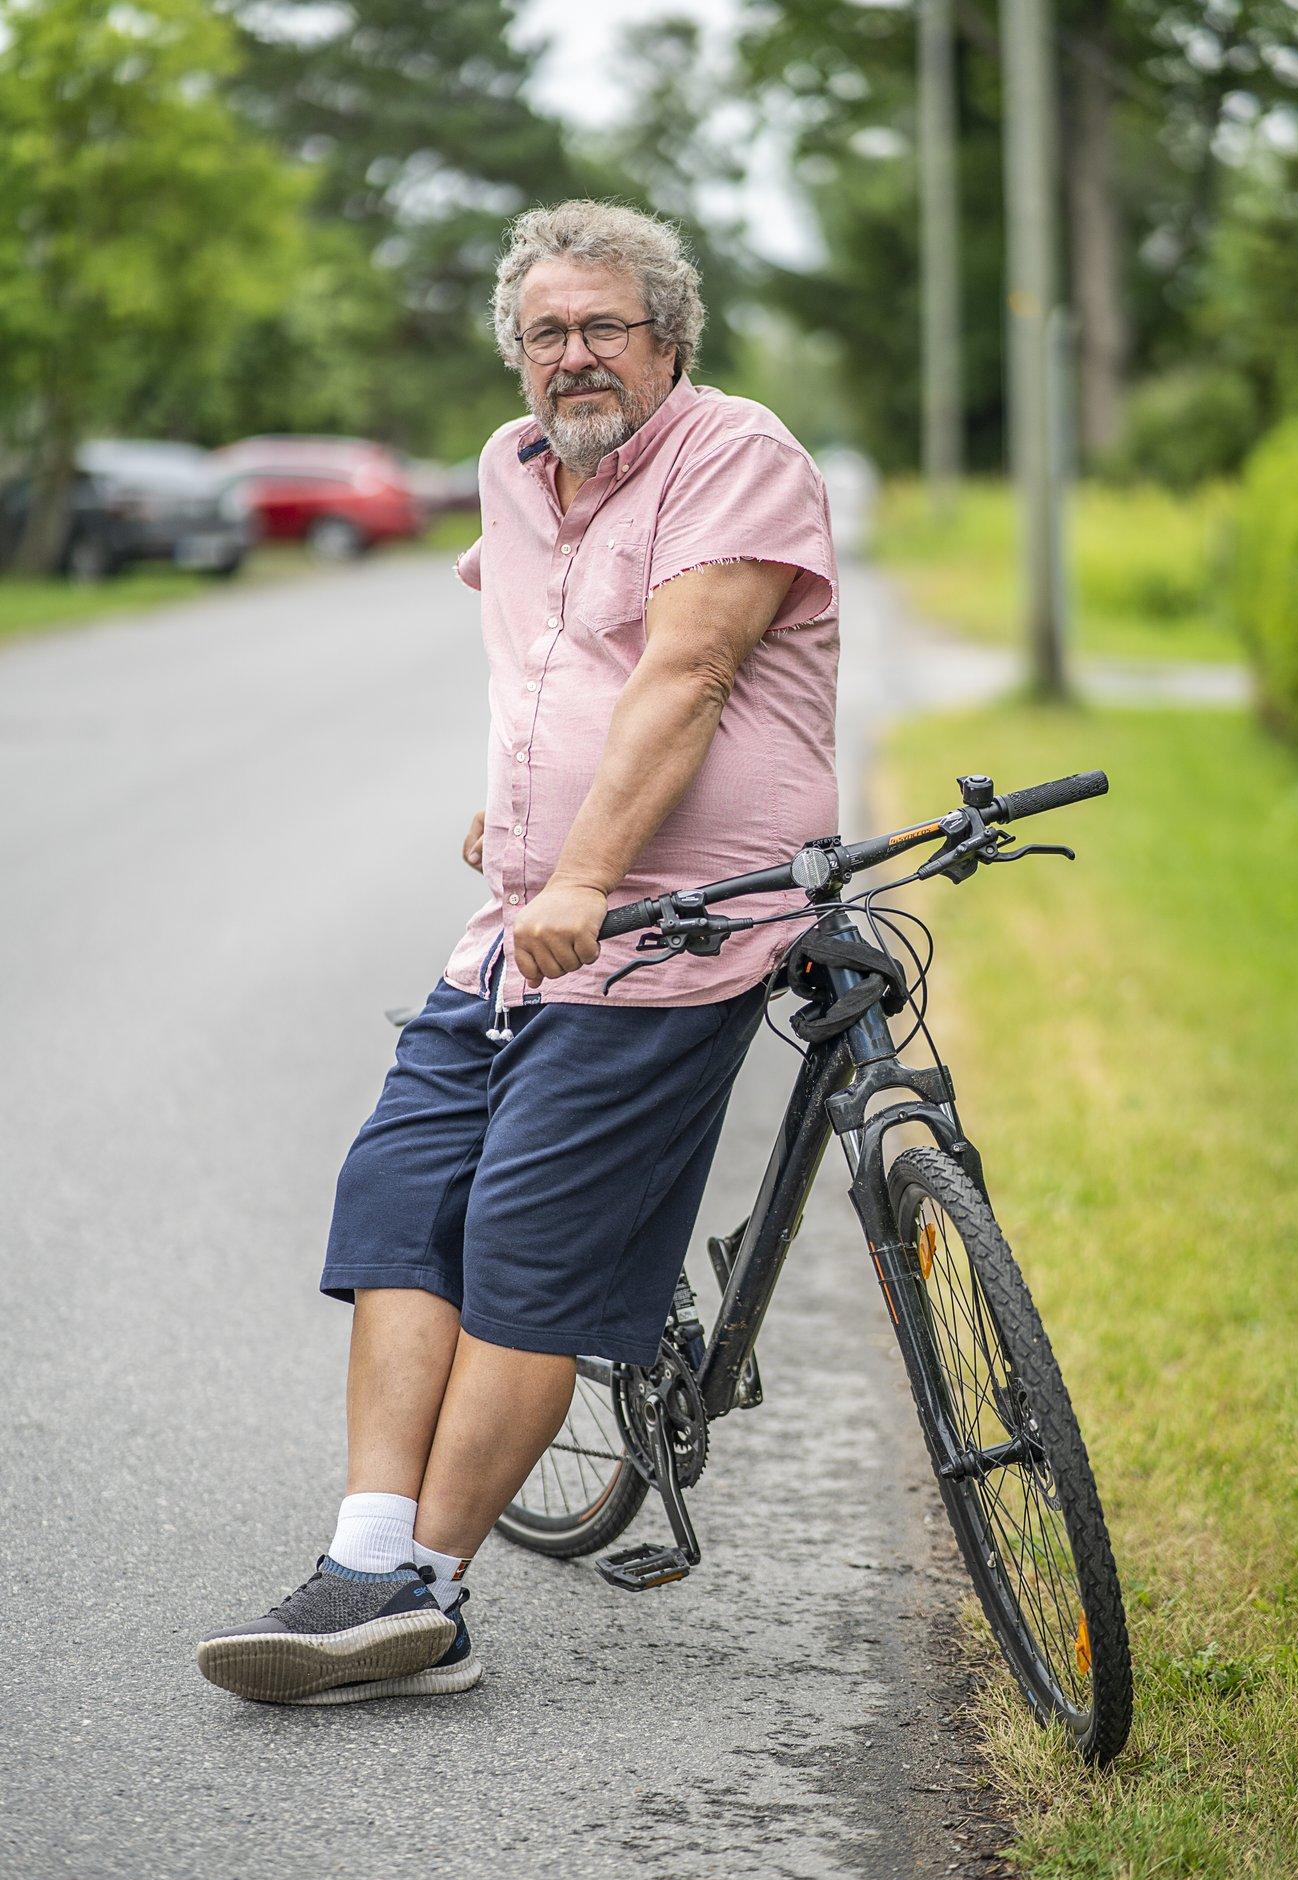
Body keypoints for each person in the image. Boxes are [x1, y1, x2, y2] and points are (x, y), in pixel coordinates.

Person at [197, 200, 840, 1706]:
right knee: (398, 1197)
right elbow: (555, 653)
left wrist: (594, 866)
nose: (574, 356)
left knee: (524, 1255)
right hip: (520, 925)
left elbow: (682, 676)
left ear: (668, 339)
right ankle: (364, 1553)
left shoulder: (735, 456)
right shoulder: (510, 468)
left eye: (603, 326)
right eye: (546, 332)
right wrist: (519, 807)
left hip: (670, 925)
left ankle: (426, 1594)